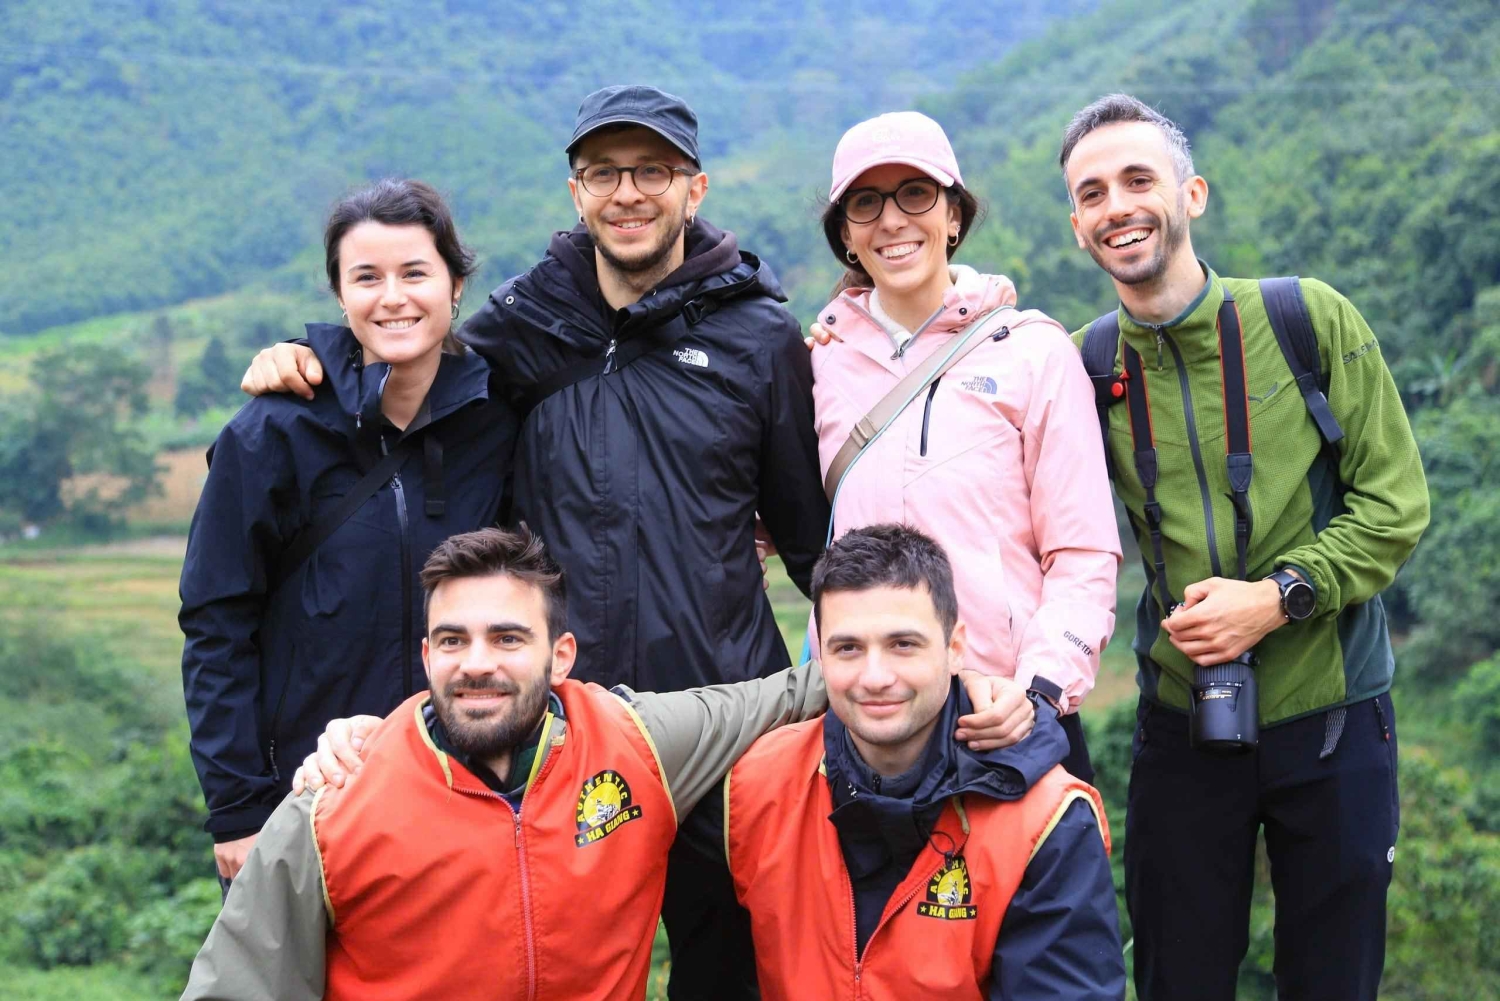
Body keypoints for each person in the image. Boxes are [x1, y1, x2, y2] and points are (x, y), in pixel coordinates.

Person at [239, 87, 830, 997]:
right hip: (566, 733)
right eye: (604, 173)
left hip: (721, 726)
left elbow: (810, 542)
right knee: (547, 958)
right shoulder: (525, 326)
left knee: (734, 968)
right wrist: (309, 354)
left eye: (652, 171)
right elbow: (412, 356)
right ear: (575, 192)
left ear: (695, 187)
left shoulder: (760, 337)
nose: (627, 193)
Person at [180, 526, 1031, 1001]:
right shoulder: (336, 800)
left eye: (507, 637)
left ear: (561, 657)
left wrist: (970, 683)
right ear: (427, 655)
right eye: (453, 640)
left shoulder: (635, 742)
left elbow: (797, 691)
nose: (478, 663)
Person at [1058, 93, 1430, 1000]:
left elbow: (1395, 505)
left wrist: (1279, 596)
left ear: (1192, 194)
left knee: (1334, 979)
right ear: (1077, 227)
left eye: (1138, 180)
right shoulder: (1079, 366)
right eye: (1093, 193)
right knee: (1176, 977)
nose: (1118, 206)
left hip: (1335, 712)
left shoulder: (1306, 319)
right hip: (1182, 720)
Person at [178, 179, 517, 891]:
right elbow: (216, 624)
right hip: (311, 795)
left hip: (471, 791)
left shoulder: (496, 421)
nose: (392, 297)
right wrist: (238, 809)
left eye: (414, 273)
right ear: (340, 294)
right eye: (366, 277)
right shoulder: (271, 433)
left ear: (455, 285)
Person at [806, 111, 1120, 781]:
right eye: (866, 203)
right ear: (846, 236)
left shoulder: (1032, 352)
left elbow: (1083, 552)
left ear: (953, 216)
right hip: (865, 723)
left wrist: (1038, 689)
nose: (892, 220)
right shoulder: (819, 362)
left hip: (1004, 715)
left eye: (915, 193)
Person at [725, 524, 1125, 1000]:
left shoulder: (1046, 819)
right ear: (821, 653)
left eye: (903, 644)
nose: (875, 677)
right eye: (848, 648)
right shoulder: (755, 785)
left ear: (955, 649)